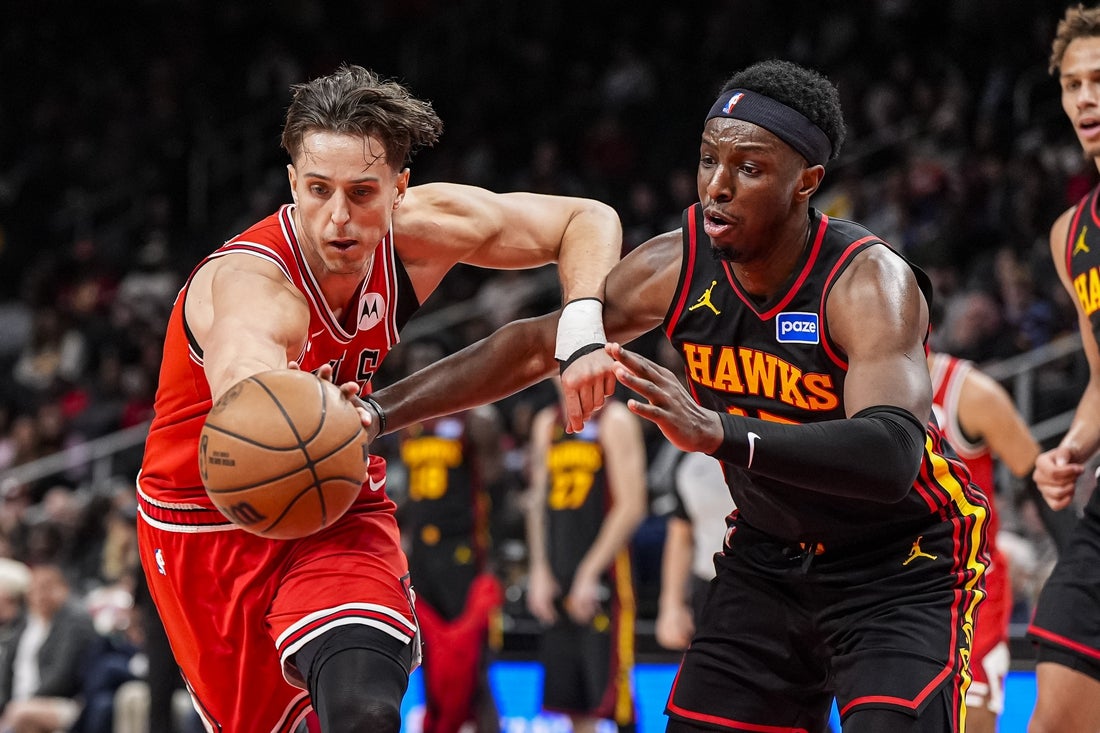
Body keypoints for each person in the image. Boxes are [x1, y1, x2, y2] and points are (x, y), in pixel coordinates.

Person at [370, 59, 990, 732]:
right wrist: (374, 413)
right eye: (708, 160)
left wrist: (717, 431)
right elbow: (532, 345)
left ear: (806, 182)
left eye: (748, 168)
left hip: (898, 561)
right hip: (770, 554)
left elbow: (891, 453)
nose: (717, 185)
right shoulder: (678, 263)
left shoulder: (868, 281)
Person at [135, 63, 623, 733]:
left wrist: (582, 326)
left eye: (362, 193)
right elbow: (243, 369)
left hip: (335, 495)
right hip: (215, 521)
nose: (339, 217)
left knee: (365, 709)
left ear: (399, 189)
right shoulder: (253, 282)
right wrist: (276, 403)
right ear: (292, 185)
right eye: (318, 190)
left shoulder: (420, 231)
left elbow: (584, 219)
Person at [1025, 7, 1100, 730]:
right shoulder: (1071, 234)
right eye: (1073, 84)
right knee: (1056, 713)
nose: (1085, 98)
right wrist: (1073, 447)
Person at [393, 336, 505, 733]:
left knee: (474, 668)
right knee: (429, 661)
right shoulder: (409, 424)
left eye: (429, 360)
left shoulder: (474, 417)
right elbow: (415, 494)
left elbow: (495, 485)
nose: (420, 368)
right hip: (422, 556)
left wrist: (495, 557)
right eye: (414, 361)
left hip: (463, 552)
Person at [927, 349, 1041, 733]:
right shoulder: (846, 382)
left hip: (968, 585)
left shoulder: (971, 392)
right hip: (887, 580)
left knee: (970, 718)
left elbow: (1038, 474)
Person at [524, 385, 648, 733]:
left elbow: (632, 506)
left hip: (606, 574)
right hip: (558, 570)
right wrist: (539, 570)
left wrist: (589, 572)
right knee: (572, 704)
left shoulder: (615, 418)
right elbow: (537, 503)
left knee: (616, 703)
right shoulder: (547, 422)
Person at [0, 562, 99, 733]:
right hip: (19, 703)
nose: (40, 595)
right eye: (34, 589)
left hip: (65, 701)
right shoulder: (24, 624)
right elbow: (7, 672)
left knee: (21, 714)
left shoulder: (74, 624)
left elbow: (62, 676)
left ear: (63, 590)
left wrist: (26, 701)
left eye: (46, 588)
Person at [653, 451, 729, 652]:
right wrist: (671, 605)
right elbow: (681, 534)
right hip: (709, 587)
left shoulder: (766, 448)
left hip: (769, 585)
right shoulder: (688, 460)